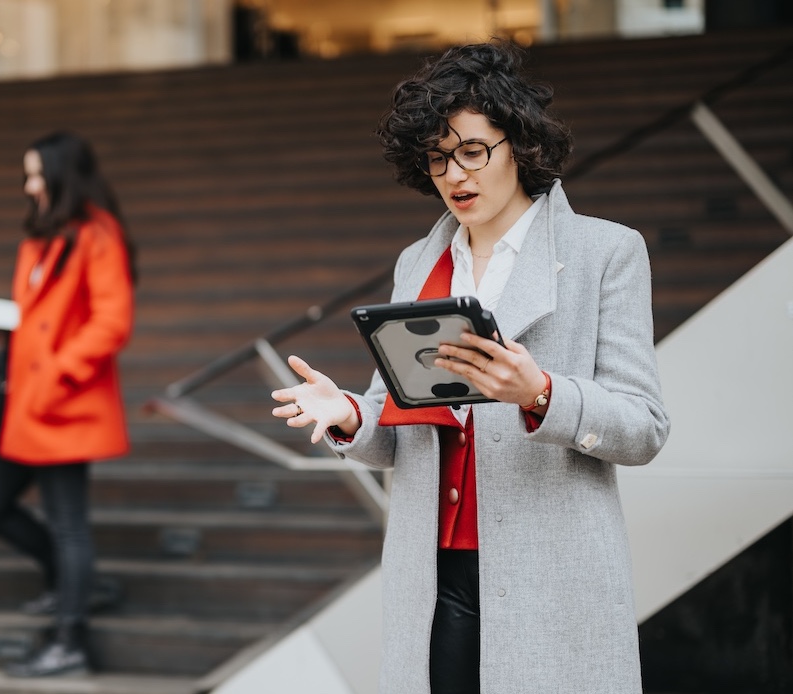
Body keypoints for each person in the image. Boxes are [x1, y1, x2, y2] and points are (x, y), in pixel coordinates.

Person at [271, 42, 669, 694]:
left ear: (516, 143)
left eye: (472, 151)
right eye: (437, 157)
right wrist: (347, 414)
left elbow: (643, 427)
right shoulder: (416, 264)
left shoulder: (605, 252)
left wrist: (539, 392)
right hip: (431, 574)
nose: (455, 174)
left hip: (547, 570)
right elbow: (395, 429)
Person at [0, 131, 136, 678]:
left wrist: (58, 371)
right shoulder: (41, 237)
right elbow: (36, 316)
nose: (29, 184)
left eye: (36, 174)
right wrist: (8, 332)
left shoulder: (96, 234)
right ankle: (72, 584)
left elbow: (112, 321)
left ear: (63, 175)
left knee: (69, 525)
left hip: (63, 404)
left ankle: (71, 640)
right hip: (25, 403)